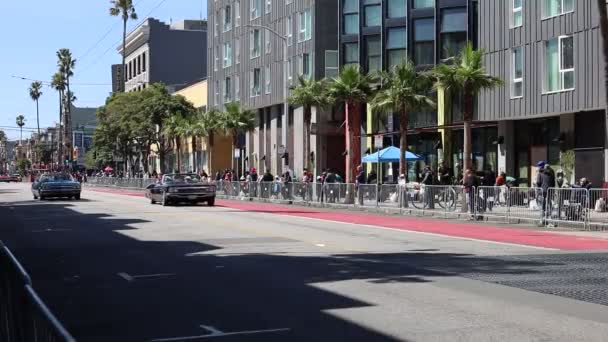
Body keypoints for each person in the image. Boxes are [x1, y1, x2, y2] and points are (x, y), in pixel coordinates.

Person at [535, 161, 555, 226]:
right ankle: (549, 221)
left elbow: (538, 182)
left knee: (541, 207)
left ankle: (542, 221)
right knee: (548, 206)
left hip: (541, 192)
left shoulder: (540, 173)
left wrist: (537, 191)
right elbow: (553, 183)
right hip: (549, 191)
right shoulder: (551, 173)